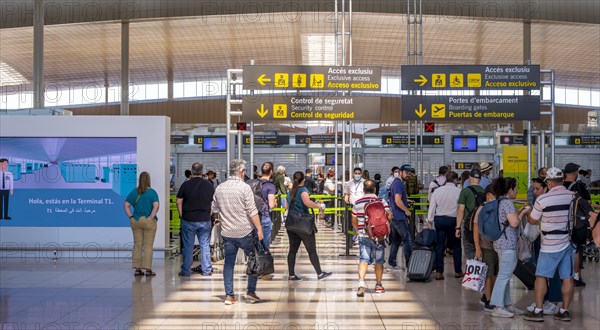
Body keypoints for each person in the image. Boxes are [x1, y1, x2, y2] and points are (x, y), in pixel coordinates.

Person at [523, 167, 576, 322]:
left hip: (549, 245)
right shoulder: (572, 196)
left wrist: (528, 212)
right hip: (567, 242)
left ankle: (538, 311)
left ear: (549, 182)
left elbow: (533, 220)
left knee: (541, 276)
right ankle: (564, 310)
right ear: (562, 180)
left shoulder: (543, 199)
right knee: (567, 277)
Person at [212, 159, 264, 305]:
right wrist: (259, 228)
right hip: (245, 232)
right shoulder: (244, 188)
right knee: (254, 260)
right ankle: (251, 292)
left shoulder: (220, 188)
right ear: (242, 172)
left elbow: (215, 208)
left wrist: (220, 217)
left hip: (227, 233)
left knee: (229, 264)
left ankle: (229, 296)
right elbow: (252, 211)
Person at [487, 177, 528, 318]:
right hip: (507, 244)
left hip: (499, 243)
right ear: (510, 189)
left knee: (505, 275)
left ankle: (507, 304)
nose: (516, 191)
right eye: (515, 188)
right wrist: (523, 213)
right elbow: (514, 223)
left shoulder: (499, 202)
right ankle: (498, 306)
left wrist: (518, 211)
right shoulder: (508, 203)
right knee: (504, 276)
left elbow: (507, 220)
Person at [286, 171, 332, 282]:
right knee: (311, 250)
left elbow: (286, 206)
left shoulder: (290, 191)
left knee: (292, 250)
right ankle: (320, 273)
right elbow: (307, 202)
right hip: (303, 223)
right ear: (303, 180)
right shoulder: (303, 190)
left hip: (291, 223)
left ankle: (291, 275)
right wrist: (319, 207)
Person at [351, 180, 392, 296]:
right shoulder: (381, 201)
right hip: (379, 236)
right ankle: (378, 285)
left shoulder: (358, 202)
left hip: (364, 235)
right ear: (375, 189)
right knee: (379, 261)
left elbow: (353, 219)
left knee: (363, 259)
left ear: (363, 190)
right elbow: (390, 215)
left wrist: (358, 230)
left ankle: (361, 283)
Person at [176, 162, 215, 277]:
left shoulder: (185, 185)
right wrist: (210, 213)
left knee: (188, 246)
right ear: (202, 172)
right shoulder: (209, 185)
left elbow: (179, 201)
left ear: (192, 172)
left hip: (188, 219)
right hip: (204, 219)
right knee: (205, 245)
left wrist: (181, 214)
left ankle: (186, 271)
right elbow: (213, 202)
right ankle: (207, 270)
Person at [427, 171, 462, 280]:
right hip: (453, 220)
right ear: (455, 180)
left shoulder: (438, 191)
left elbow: (432, 206)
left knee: (440, 246)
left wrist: (430, 220)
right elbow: (461, 209)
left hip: (440, 220)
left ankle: (439, 272)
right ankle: (458, 271)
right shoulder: (459, 191)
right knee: (456, 246)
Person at [123, 171, 160, 276]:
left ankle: (137, 269)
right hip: (148, 221)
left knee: (137, 245)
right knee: (148, 245)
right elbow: (156, 205)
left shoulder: (134, 191)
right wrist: (151, 217)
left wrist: (131, 217)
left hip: (136, 220)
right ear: (148, 180)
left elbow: (126, 205)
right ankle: (148, 270)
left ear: (139, 180)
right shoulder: (152, 192)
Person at [563, 162, 591, 287]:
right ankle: (575, 276)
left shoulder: (559, 185)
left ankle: (564, 276)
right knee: (577, 249)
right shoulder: (579, 186)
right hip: (576, 223)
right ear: (575, 173)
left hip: (561, 223)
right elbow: (587, 203)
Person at [473, 185, 498, 312]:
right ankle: (488, 300)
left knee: (494, 274)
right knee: (489, 274)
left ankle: (487, 296)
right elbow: (476, 229)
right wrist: (477, 247)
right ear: (488, 194)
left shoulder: (495, 207)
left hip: (496, 246)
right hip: (486, 246)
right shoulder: (482, 209)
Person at [388, 164, 414, 270]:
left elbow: (397, 198)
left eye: (410, 173)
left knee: (396, 240)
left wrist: (406, 201)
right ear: (401, 172)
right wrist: (406, 210)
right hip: (399, 217)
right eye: (406, 173)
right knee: (407, 239)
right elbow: (397, 200)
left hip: (395, 215)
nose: (408, 175)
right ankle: (410, 264)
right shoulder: (398, 184)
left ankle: (392, 262)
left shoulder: (396, 183)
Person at [456, 168, 485, 261]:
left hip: (468, 225)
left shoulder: (465, 191)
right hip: (481, 225)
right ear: (480, 179)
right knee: (480, 247)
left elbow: (461, 210)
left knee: (469, 248)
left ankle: (472, 270)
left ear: (469, 178)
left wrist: (457, 227)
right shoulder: (485, 192)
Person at [256, 162, 277, 250]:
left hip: (253, 217)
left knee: (255, 245)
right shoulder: (270, 186)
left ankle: (254, 262)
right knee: (264, 247)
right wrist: (276, 203)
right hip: (264, 216)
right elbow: (271, 205)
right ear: (271, 172)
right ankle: (262, 263)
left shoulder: (254, 183)